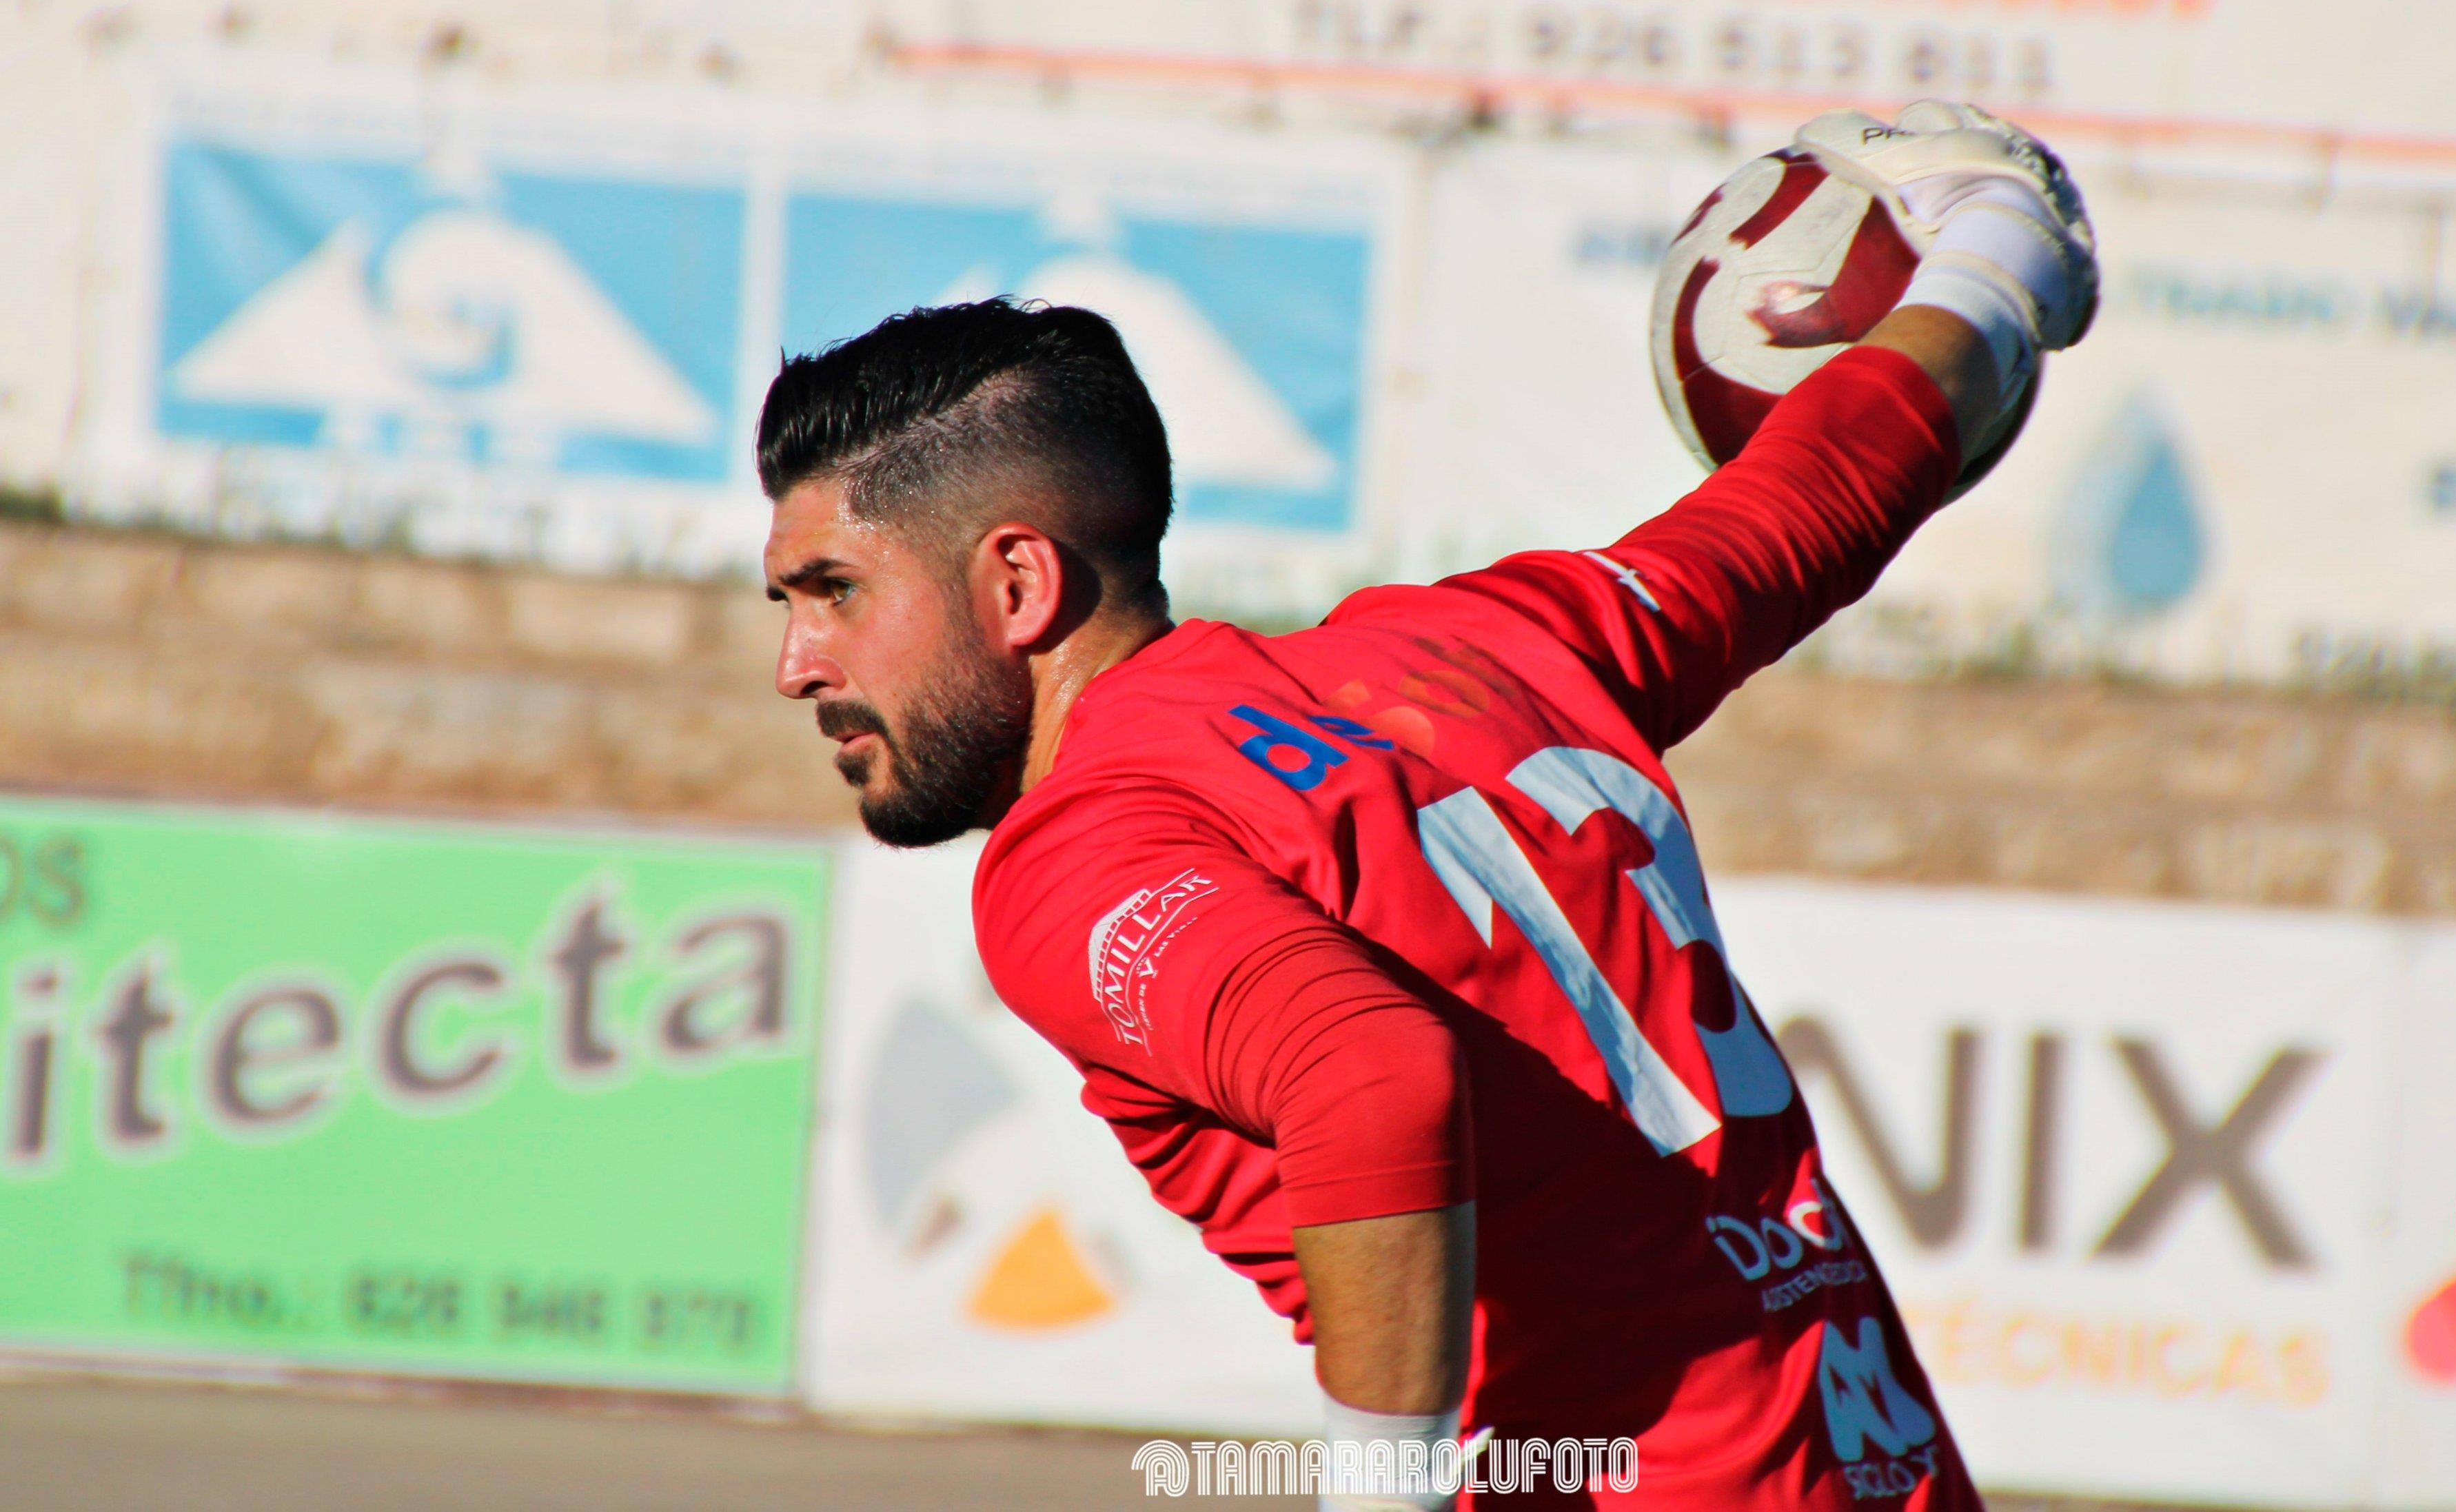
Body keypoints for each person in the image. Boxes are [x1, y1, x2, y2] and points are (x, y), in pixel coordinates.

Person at [758, 103, 2098, 1510]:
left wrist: (1375, 1491)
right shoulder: (1483, 646)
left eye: (832, 593)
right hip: (1868, 1463)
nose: (796, 666)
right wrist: (2001, 272)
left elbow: (1369, 1075)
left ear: (1017, 585)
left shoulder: (1083, 851)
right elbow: (1812, 493)